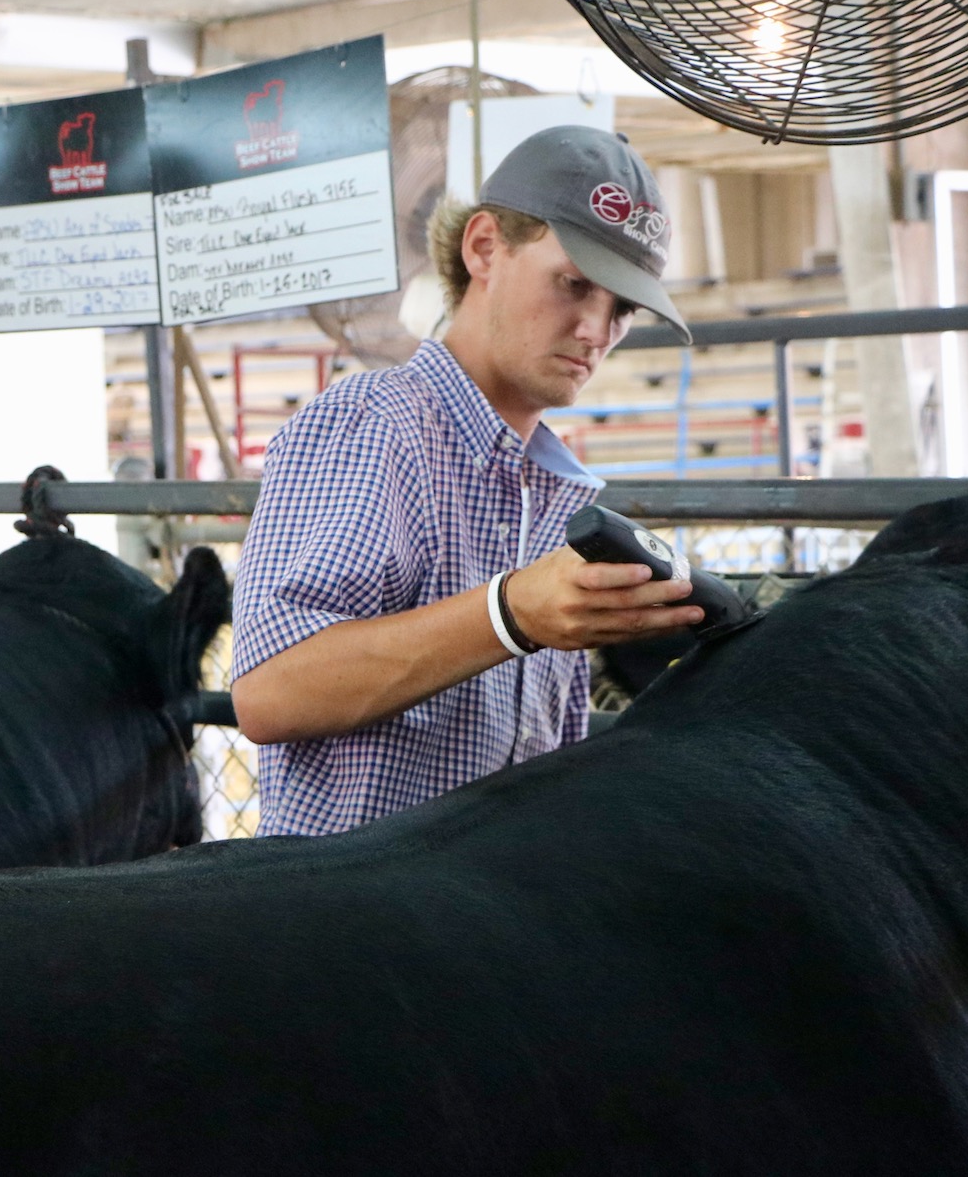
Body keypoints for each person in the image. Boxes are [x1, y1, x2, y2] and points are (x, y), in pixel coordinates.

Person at [230, 126, 704, 836]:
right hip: (354, 897)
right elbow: (271, 690)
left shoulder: (556, 489)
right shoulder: (377, 424)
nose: (596, 330)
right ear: (483, 247)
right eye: (574, 283)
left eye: (622, 308)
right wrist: (510, 615)